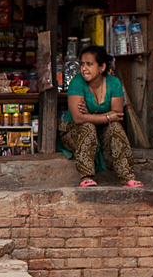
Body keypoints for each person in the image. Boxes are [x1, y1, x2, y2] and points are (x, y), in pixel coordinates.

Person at [59, 45, 143, 187]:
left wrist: (90, 115)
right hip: (74, 131)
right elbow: (79, 118)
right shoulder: (77, 82)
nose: (84, 68)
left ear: (102, 67)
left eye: (89, 64)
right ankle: (86, 177)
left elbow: (118, 114)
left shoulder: (114, 83)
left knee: (115, 128)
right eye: (82, 64)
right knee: (87, 127)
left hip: (102, 131)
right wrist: (108, 117)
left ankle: (127, 177)